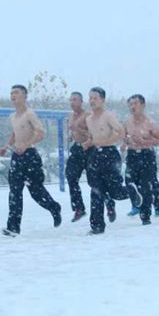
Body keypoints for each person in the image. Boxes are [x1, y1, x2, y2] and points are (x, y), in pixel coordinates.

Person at [0, 85, 62, 237]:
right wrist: (7, 146)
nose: (13, 95)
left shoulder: (30, 114)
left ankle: (53, 207)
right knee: (14, 192)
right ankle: (13, 227)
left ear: (25, 96)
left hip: (30, 156)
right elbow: (15, 133)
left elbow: (41, 133)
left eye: (17, 93)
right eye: (11, 92)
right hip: (17, 156)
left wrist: (26, 145)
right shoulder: (13, 116)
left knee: (36, 191)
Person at [83, 87, 141, 234]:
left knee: (115, 191)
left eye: (95, 98)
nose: (92, 101)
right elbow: (92, 136)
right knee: (96, 190)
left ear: (102, 100)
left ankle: (131, 191)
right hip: (96, 154)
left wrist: (108, 141)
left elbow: (120, 132)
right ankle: (96, 226)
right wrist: (88, 143)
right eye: (90, 98)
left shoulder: (108, 116)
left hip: (109, 154)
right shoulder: (89, 119)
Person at [122, 94, 159, 224]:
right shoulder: (127, 121)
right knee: (129, 181)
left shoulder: (150, 122)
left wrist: (145, 141)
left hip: (146, 155)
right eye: (130, 104)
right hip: (132, 155)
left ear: (142, 105)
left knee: (146, 186)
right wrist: (126, 142)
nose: (132, 106)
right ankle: (136, 203)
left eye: (135, 104)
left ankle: (145, 215)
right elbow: (123, 136)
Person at [65, 92, 91, 222]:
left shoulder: (88, 116)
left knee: (95, 180)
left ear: (81, 102)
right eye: (70, 100)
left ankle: (109, 203)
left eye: (75, 100)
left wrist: (79, 130)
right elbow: (72, 130)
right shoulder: (71, 116)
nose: (72, 102)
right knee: (70, 176)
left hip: (89, 149)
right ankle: (79, 208)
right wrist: (70, 135)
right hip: (77, 148)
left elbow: (93, 133)